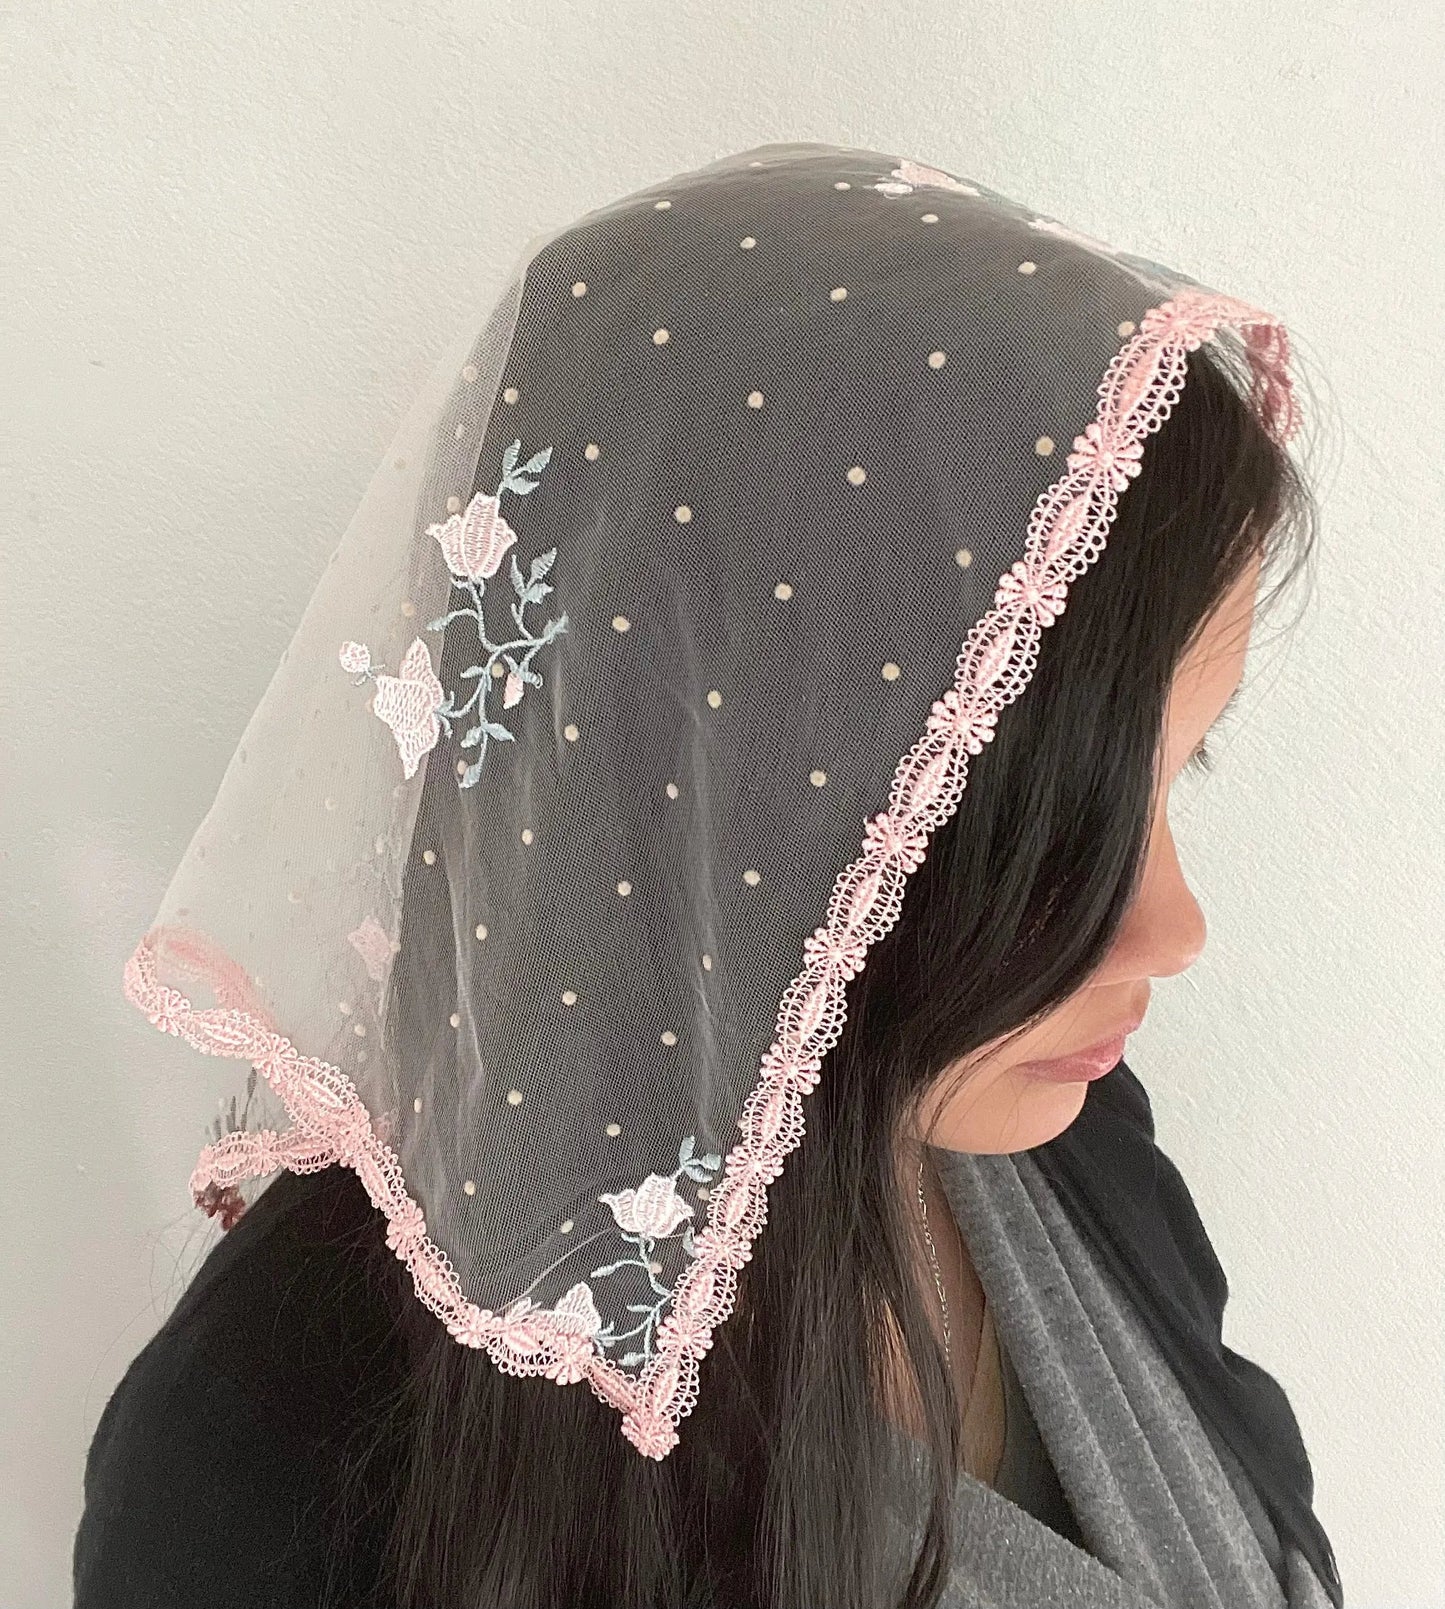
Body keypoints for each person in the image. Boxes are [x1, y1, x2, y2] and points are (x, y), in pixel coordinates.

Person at [75, 142, 1342, 1608]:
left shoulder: (1058, 1133)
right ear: (716, 783)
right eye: (1036, 820)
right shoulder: (270, 1458)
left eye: (1179, 771)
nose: (1174, 929)